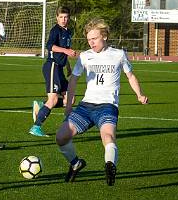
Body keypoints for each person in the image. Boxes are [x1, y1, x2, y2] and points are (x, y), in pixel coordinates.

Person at [56, 18, 148, 185]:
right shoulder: (84, 56)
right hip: (85, 106)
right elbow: (74, 81)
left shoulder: (119, 55)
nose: (91, 43)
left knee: (107, 136)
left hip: (107, 106)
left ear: (104, 36)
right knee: (61, 137)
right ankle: (76, 164)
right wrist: (68, 107)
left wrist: (139, 94)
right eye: (89, 39)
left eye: (95, 39)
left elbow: (130, 76)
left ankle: (110, 166)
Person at [29, 6, 76, 137]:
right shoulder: (55, 30)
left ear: (69, 18)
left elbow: (63, 50)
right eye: (61, 17)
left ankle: (41, 105)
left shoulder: (68, 32)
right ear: (57, 18)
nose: (63, 19)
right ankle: (36, 127)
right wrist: (66, 51)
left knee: (70, 100)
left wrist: (68, 66)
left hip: (59, 68)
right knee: (54, 99)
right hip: (51, 66)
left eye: (66, 17)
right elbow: (50, 46)